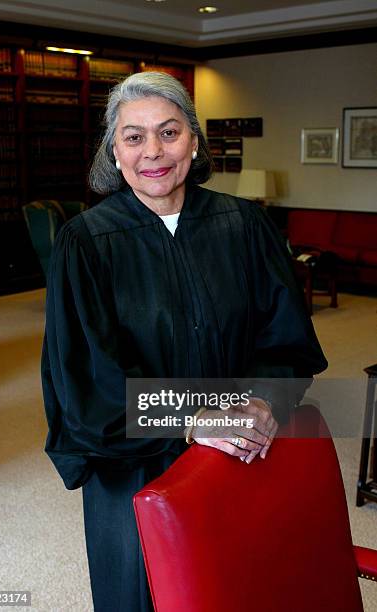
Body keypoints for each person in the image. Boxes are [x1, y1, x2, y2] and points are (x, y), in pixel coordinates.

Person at [41, 71, 327, 612]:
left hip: (239, 452)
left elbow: (287, 338)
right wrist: (193, 420)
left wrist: (265, 399)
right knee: (144, 593)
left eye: (169, 133)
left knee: (241, 581)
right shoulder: (86, 244)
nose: (154, 151)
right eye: (134, 136)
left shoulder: (244, 225)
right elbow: (86, 382)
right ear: (115, 152)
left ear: (194, 142)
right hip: (133, 464)